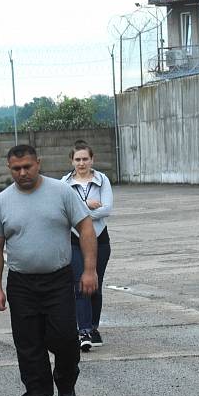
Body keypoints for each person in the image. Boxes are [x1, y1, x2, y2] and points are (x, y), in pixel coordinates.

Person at [0, 144, 98, 396]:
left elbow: (85, 227)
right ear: (9, 169)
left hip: (58, 279)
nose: (22, 173)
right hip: (22, 283)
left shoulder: (60, 193)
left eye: (27, 167)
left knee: (65, 339)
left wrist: (89, 269)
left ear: (38, 163)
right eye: (16, 169)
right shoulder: (1, 202)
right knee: (29, 345)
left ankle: (66, 379)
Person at [61, 140, 113, 351]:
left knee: (95, 284)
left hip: (100, 238)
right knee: (81, 283)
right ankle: (83, 330)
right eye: (77, 159)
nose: (81, 163)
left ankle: (93, 326)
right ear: (71, 161)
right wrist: (87, 205)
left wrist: (79, 210)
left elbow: (106, 209)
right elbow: (63, 210)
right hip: (74, 238)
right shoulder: (64, 184)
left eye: (85, 159)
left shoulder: (102, 180)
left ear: (92, 160)